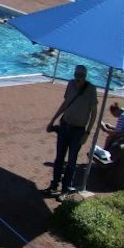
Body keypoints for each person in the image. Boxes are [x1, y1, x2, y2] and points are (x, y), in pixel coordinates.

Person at [44, 65, 99, 195]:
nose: (78, 78)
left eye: (81, 76)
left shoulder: (91, 89)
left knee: (72, 161)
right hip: (64, 126)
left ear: (85, 76)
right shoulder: (70, 84)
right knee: (59, 158)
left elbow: (94, 113)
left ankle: (65, 189)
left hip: (78, 131)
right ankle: (54, 185)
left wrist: (87, 132)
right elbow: (65, 103)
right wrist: (53, 120)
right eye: (77, 75)